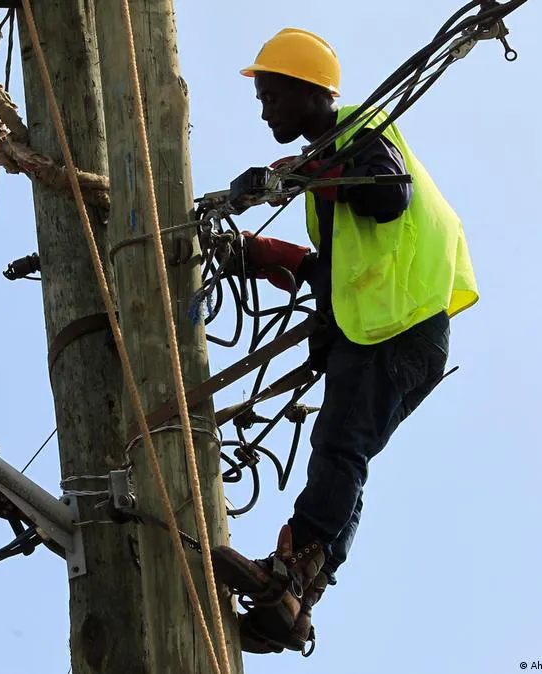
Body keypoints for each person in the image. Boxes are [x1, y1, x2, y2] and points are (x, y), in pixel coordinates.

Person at [210, 28, 480, 655]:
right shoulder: (332, 163)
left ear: (310, 90)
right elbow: (337, 267)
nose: (265, 110)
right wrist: (264, 254)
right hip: (398, 330)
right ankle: (296, 602)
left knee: (339, 444)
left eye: (272, 95)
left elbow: (387, 196)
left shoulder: (362, 130)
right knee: (349, 452)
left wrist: (300, 174)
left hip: (397, 325)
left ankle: (292, 569)